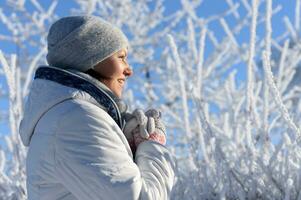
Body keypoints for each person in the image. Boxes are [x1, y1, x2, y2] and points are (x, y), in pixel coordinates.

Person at [19, 16, 175, 200]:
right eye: (121, 57)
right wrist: (153, 145)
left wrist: (128, 144)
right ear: (92, 59)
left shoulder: (67, 116)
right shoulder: (76, 119)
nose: (129, 70)